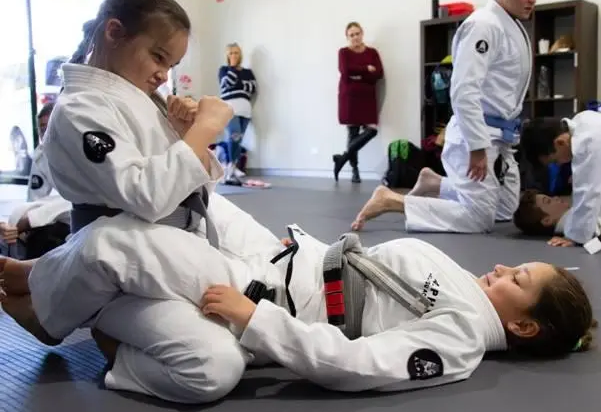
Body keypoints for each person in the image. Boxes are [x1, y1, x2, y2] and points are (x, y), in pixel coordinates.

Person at [0, 205, 594, 403]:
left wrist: (253, 318)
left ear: (520, 323)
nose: (501, 266)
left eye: (518, 276)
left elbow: (357, 365)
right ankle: (46, 272)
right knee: (188, 186)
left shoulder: (462, 337)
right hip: (279, 252)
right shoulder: (468, 285)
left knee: (122, 245)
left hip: (267, 295)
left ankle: (48, 310)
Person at [351, 0, 546, 232]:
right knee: (480, 219)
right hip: (475, 136)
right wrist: (477, 146)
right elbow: (464, 90)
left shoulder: (509, 25)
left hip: (500, 137)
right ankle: (391, 199)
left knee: (506, 210)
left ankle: (434, 183)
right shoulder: (484, 25)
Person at [42, 0, 233, 238]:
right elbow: (147, 197)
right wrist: (203, 130)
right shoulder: (78, 107)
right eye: (158, 57)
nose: (164, 76)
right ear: (114, 32)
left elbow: (192, 190)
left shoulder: (141, 99)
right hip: (129, 243)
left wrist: (185, 134)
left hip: (177, 231)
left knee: (282, 256)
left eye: (171, 65)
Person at [519, 111, 601, 247]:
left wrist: (575, 236)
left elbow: (589, 194)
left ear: (560, 143)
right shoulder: (584, 119)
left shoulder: (587, 144)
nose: (560, 164)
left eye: (555, 160)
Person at [0, 104, 71, 258]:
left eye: (49, 126)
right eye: (42, 128)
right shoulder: (41, 154)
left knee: (32, 222)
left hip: (87, 210)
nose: (45, 132)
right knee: (18, 215)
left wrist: (31, 220)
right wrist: (19, 225)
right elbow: (35, 197)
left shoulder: (79, 151)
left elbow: (83, 199)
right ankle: (13, 270)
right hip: (64, 207)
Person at [333, 21, 384, 183]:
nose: (355, 37)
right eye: (351, 35)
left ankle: (342, 158)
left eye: (357, 33)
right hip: (350, 98)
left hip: (367, 98)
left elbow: (378, 74)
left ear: (362, 33)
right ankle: (355, 171)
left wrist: (359, 74)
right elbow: (345, 72)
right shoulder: (343, 53)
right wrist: (365, 71)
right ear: (347, 37)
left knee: (372, 130)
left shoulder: (372, 52)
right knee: (353, 133)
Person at [218, 43, 257, 185]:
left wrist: (239, 83)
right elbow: (226, 84)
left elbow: (252, 88)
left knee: (239, 139)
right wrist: (233, 69)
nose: (234, 56)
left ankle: (231, 166)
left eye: (236, 53)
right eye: (231, 53)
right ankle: (228, 168)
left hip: (245, 109)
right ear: (227, 56)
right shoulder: (223, 70)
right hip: (229, 107)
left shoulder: (248, 72)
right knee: (234, 136)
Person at [512, 190, 584, 247]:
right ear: (547, 220)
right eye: (548, 201)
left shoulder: (578, 221)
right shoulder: (581, 224)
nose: (556, 197)